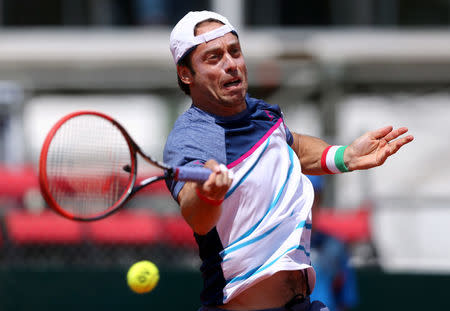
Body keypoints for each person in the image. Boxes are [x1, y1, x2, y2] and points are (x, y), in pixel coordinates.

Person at [163, 10, 413, 311]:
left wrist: (343, 156)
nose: (231, 65)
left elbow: (291, 144)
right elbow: (197, 215)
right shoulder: (193, 137)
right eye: (214, 58)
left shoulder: (261, 114)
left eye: (235, 52)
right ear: (185, 74)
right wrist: (208, 194)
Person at [307, 175, 358, 311]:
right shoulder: (280, 246)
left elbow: (346, 299)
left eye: (314, 199)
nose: (309, 206)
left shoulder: (336, 246)